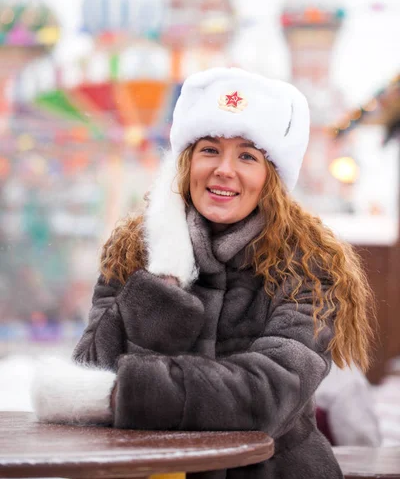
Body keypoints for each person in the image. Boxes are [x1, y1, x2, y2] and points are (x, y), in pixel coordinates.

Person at [32, 67, 375, 479]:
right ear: (186, 162)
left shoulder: (308, 264)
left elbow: (268, 393)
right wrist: (164, 278)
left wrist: (128, 394)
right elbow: (89, 369)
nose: (224, 169)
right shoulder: (134, 253)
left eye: (247, 155)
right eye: (209, 149)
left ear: (271, 178)